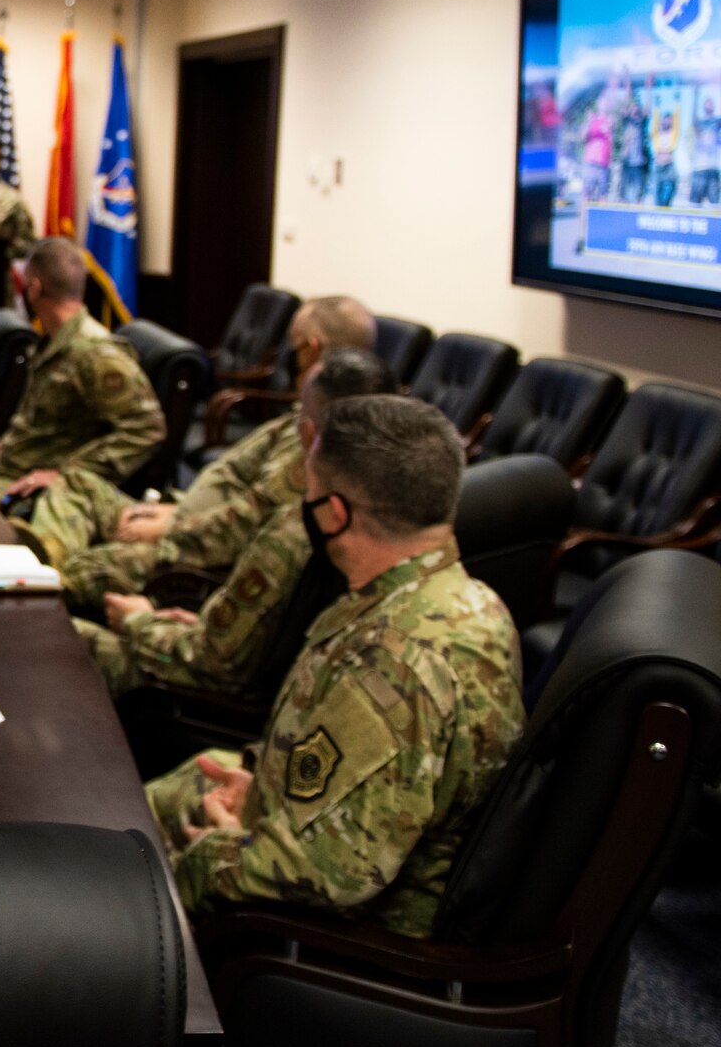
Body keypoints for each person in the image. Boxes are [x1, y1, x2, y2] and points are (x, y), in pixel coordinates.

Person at [146, 395, 523, 939]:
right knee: (174, 790)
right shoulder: (458, 596)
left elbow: (326, 874)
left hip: (347, 938)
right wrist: (260, 789)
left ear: (334, 512)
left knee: (118, 892)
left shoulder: (395, 663)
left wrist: (214, 854)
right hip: (334, 832)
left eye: (310, 487)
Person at [72, 348, 397, 700]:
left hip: (195, 697)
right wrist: (199, 624)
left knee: (48, 641)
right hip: (268, 679)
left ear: (305, 433)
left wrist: (138, 622)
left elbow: (208, 663)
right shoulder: (388, 522)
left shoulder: (292, 532)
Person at [53, 295, 377, 592]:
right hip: (186, 518)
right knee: (75, 481)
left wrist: (169, 530)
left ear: (311, 348)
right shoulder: (311, 413)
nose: (287, 359)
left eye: (291, 348)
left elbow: (247, 524)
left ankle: (35, 576)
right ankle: (43, 554)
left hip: (197, 553)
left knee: (82, 571)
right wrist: (174, 512)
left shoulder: (316, 434)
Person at [0, 236, 164, 506]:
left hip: (26, 491)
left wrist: (66, 475)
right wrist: (13, 446)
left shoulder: (94, 352)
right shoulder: (54, 342)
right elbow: (53, 424)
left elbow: (147, 429)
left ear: (34, 288)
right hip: (5, 471)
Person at [690, 96, 721, 206]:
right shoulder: (699, 122)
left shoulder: (717, 122)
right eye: (707, 103)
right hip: (699, 167)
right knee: (695, 203)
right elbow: (693, 119)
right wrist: (696, 94)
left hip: (713, 167)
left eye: (711, 103)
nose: (709, 105)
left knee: (714, 202)